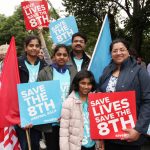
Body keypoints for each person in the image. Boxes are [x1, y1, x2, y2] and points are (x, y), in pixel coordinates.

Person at [98, 38, 150, 150]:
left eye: (122, 49)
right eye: (114, 51)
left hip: (131, 135)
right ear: (111, 54)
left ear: (128, 51)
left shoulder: (140, 71)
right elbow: (100, 96)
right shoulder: (106, 71)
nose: (118, 53)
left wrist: (138, 130)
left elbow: (148, 101)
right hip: (109, 135)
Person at [37, 44, 76, 150]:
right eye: (59, 54)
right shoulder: (44, 72)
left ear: (68, 57)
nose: (61, 57)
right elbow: (40, 94)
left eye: (64, 55)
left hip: (69, 121)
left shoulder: (73, 72)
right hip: (52, 122)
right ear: (54, 56)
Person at [15, 35, 47, 150]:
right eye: (31, 45)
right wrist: (18, 117)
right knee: (24, 145)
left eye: (37, 46)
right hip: (21, 111)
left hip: (39, 110)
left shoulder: (45, 65)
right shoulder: (16, 64)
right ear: (25, 47)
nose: (34, 48)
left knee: (34, 144)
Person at [59, 70, 104, 150]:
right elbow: (64, 131)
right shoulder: (69, 102)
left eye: (89, 84)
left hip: (93, 145)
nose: (86, 86)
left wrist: (101, 143)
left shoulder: (96, 101)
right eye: (83, 83)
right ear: (77, 83)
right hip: (77, 146)